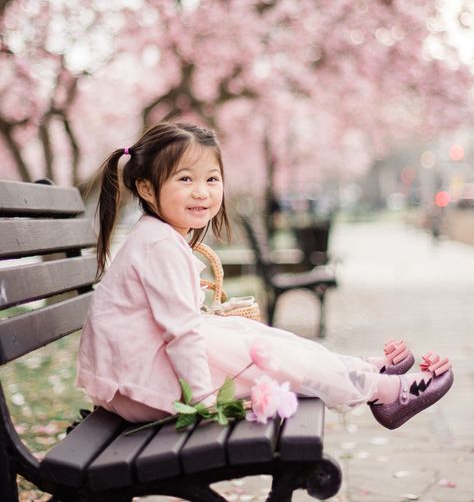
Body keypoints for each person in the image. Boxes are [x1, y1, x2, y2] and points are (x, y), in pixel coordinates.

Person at [76, 122, 453, 428]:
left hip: (136, 380)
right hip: (146, 387)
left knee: (251, 337)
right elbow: (182, 332)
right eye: (185, 180)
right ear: (147, 188)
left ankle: (361, 372)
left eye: (211, 179)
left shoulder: (157, 237)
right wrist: (203, 402)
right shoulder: (158, 244)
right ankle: (384, 390)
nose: (202, 193)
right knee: (263, 354)